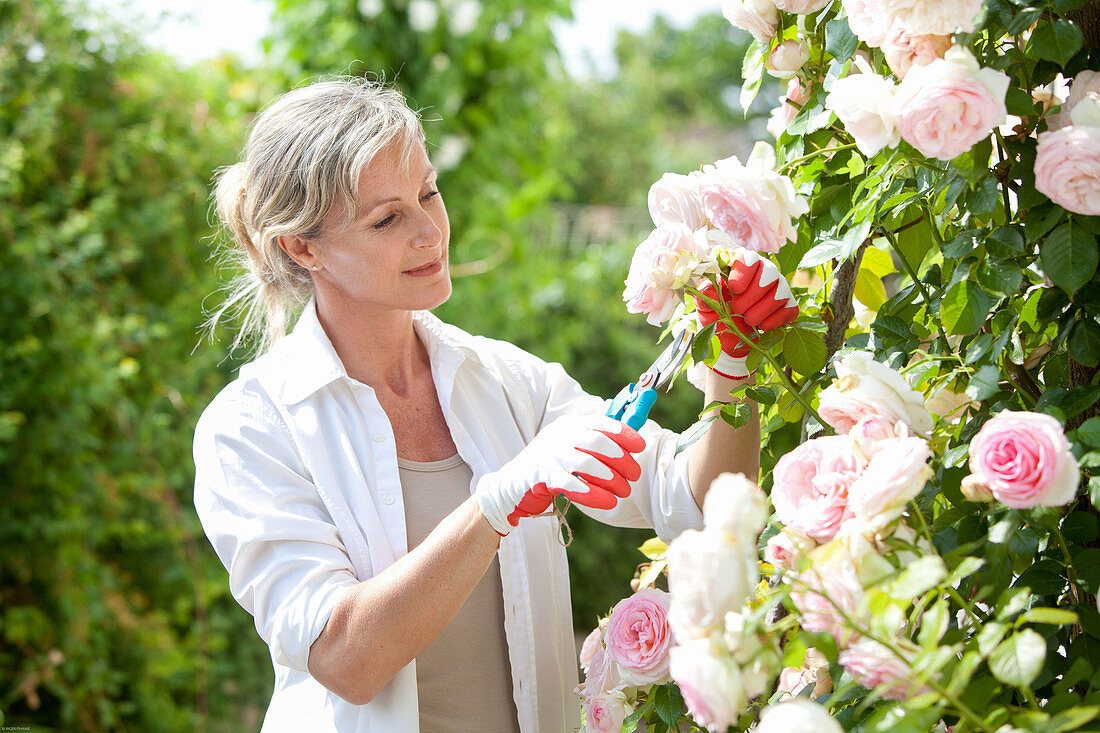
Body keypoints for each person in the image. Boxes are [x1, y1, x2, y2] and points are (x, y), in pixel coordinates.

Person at [193, 77, 798, 733]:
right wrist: (493, 503)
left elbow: (698, 502)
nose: (430, 231)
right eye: (387, 218)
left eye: (428, 192)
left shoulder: (506, 381)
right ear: (302, 247)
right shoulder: (251, 429)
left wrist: (730, 362)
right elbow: (346, 658)